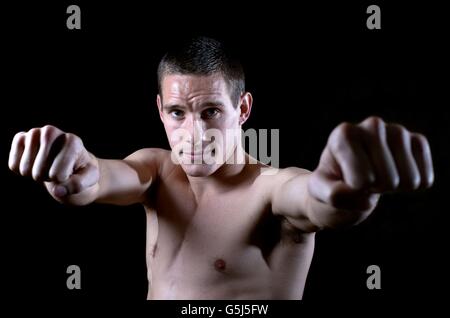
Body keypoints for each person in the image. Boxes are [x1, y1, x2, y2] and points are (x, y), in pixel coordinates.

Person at [8, 37, 434, 299]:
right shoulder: (155, 172)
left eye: (210, 111)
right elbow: (101, 176)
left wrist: (345, 188)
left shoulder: (269, 190)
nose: (193, 134)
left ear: (242, 108)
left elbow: (313, 198)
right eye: (177, 113)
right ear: (159, 110)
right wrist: (72, 171)